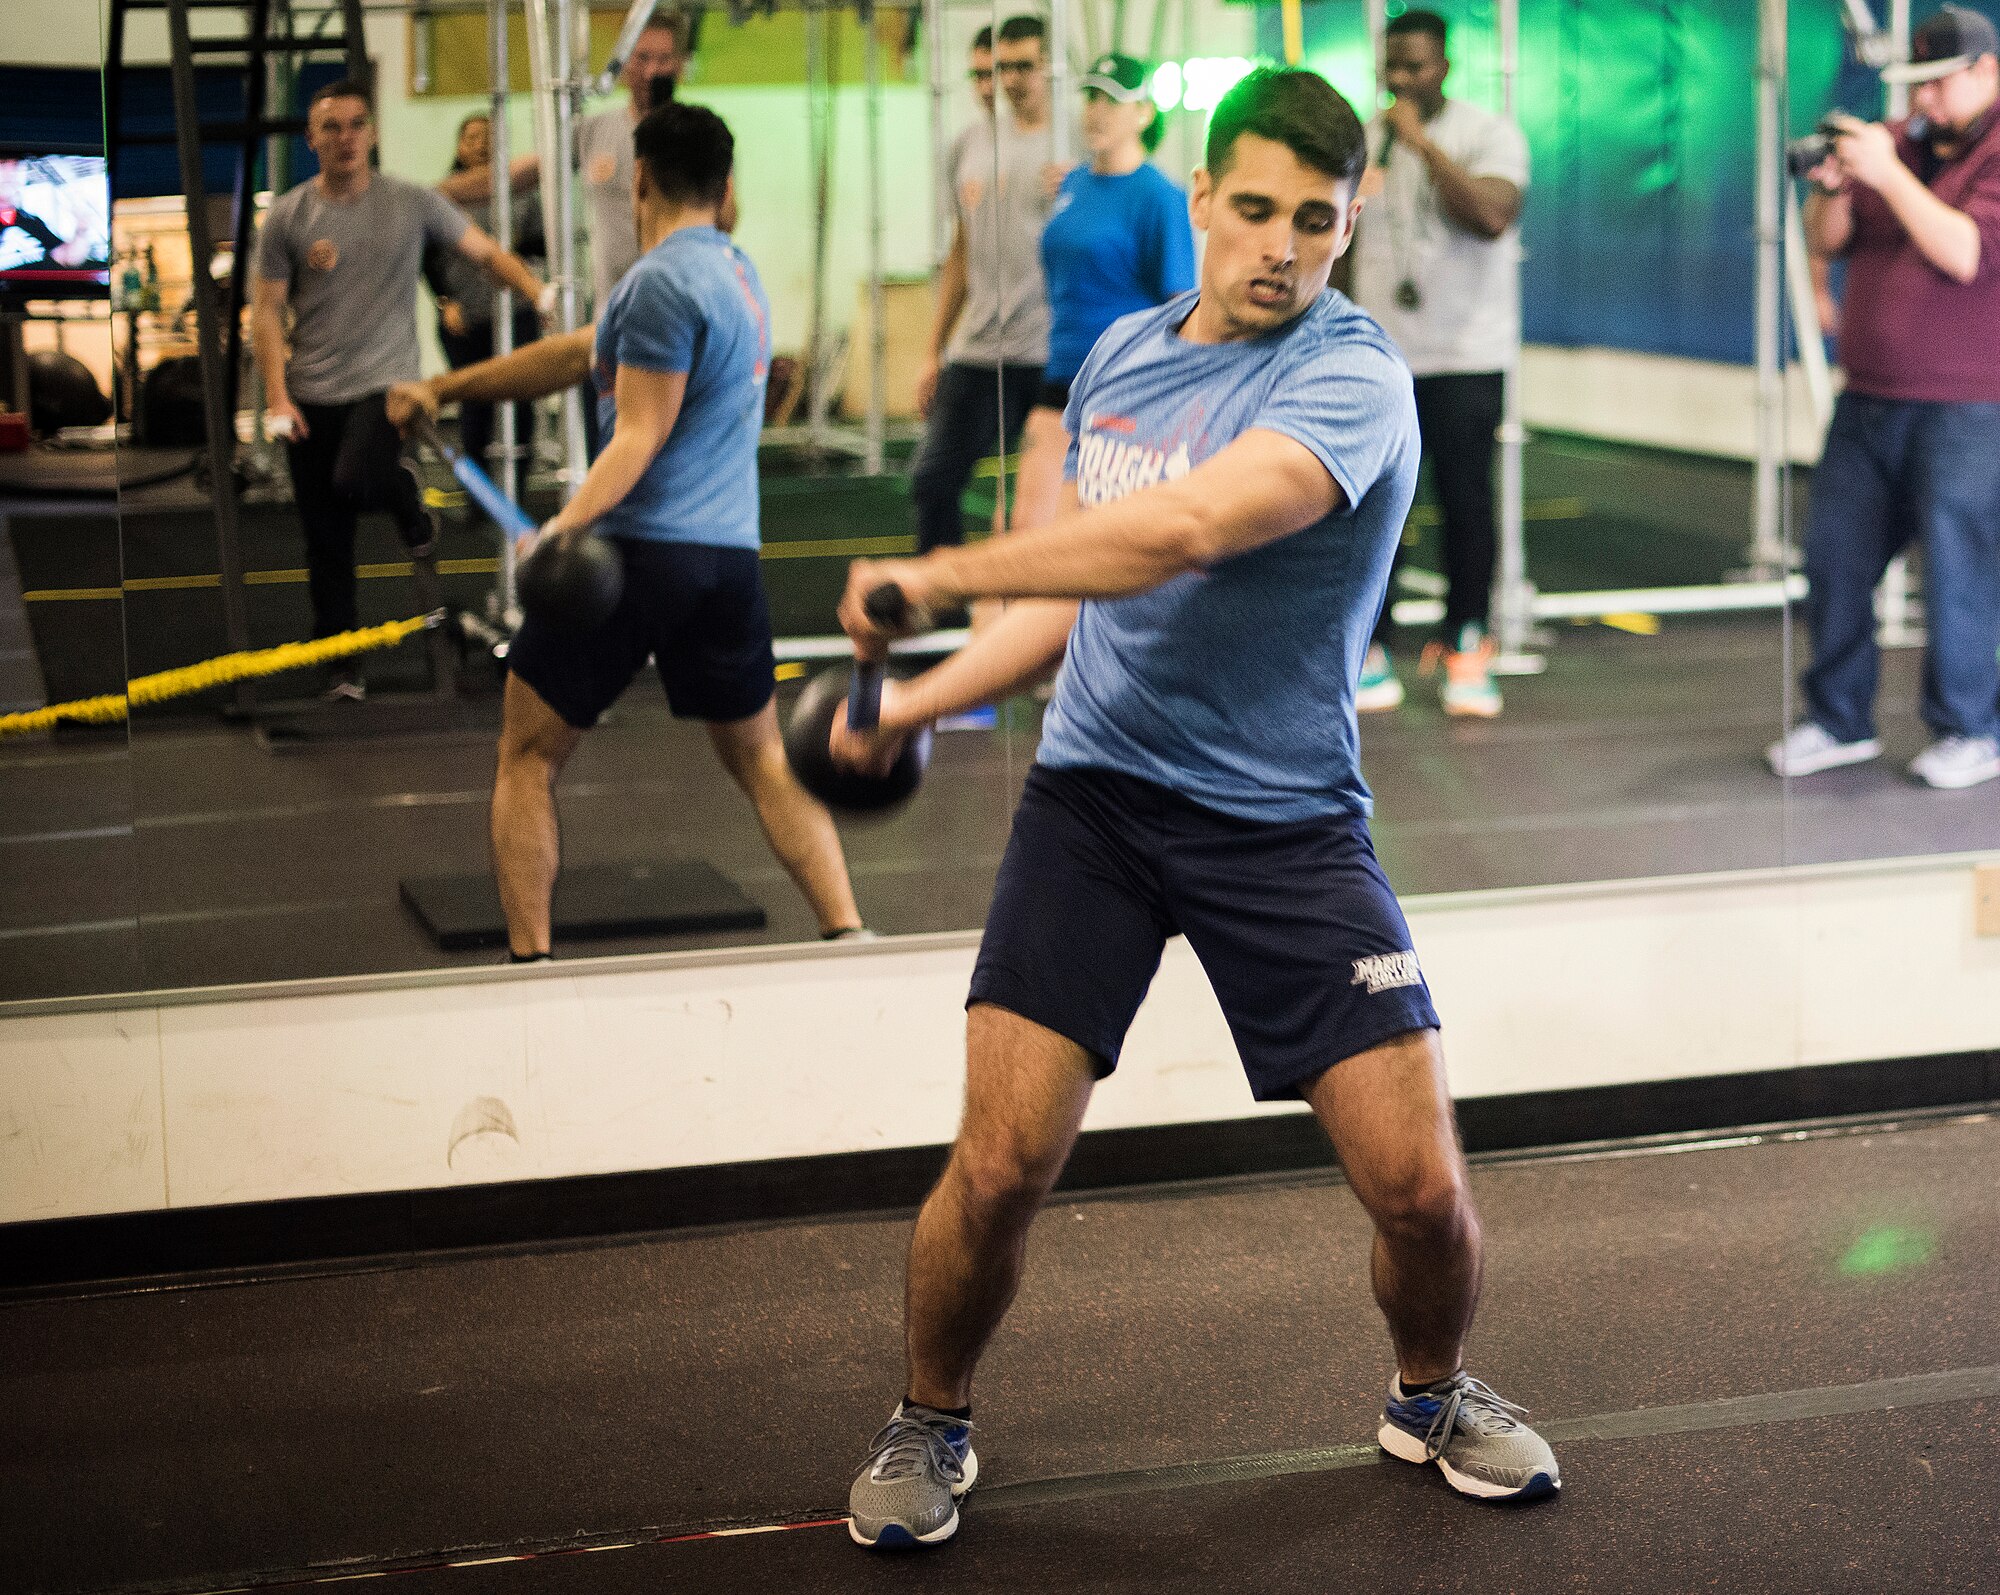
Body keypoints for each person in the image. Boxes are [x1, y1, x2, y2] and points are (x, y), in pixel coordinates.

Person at [828, 66, 1559, 1550]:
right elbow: (1075, 587)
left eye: (1317, 220)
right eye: (1253, 210)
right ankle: (929, 1416)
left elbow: (1183, 530)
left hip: (1283, 819)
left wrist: (937, 575)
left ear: (1348, 228)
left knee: (1421, 1188)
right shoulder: (1119, 357)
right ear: (1201, 203)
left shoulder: (1352, 377)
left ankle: (1428, 1392)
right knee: (998, 1162)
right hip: (1093, 802)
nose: (1282, 244)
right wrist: (913, 698)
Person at [387, 103, 868, 957]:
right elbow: (579, 353)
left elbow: (640, 432)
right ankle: (849, 930)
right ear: (727, 191)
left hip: (640, 558)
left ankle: (529, 961)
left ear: (637, 179)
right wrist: (447, 390)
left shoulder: (657, 285)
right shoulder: (736, 275)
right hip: (728, 564)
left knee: (527, 757)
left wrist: (562, 528)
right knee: (761, 759)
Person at [251, 80, 547, 699]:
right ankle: (343, 666)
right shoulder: (288, 217)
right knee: (325, 540)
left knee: (356, 480)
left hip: (387, 387)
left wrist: (540, 295)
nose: (346, 138)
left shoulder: (412, 201)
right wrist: (277, 398)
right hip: (310, 393)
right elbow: (266, 313)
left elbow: (486, 252)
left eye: (357, 125)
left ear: (373, 134)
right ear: (312, 140)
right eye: (331, 128)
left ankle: (410, 498)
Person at [1771, 3, 2000, 791]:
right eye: (1919, 86)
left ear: (1985, 72)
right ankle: (1839, 719)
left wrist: (1886, 172)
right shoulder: (1899, 142)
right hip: (1868, 399)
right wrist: (1838, 186)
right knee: (1834, 561)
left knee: (1959, 575)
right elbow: (1829, 236)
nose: (1926, 102)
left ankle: (1971, 727)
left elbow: (1964, 251)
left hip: (1968, 407)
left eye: (1941, 85)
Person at [1344, 7, 1527, 719]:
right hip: (1384, 354)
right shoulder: (1367, 138)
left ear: (1445, 66)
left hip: (1465, 354)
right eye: (1392, 66)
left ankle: (1467, 644)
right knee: (1379, 503)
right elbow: (1345, 243)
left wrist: (1423, 147)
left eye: (1415, 65)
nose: (1401, 79)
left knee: (1465, 503)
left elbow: (1490, 216)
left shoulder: (1487, 133)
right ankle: (1372, 646)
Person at [1007, 53, 1195, 535]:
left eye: (1111, 100)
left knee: (1097, 531)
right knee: (1025, 522)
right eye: (1091, 97)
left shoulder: (1160, 196)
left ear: (1144, 112)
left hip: (1125, 380)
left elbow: (1180, 305)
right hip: (1062, 370)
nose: (1096, 111)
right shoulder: (1070, 183)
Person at [910, 15, 1057, 562]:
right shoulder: (968, 145)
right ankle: (938, 608)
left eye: (1023, 66)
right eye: (999, 68)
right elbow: (961, 253)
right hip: (977, 349)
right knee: (933, 480)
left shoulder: (1071, 148)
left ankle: (1044, 626)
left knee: (1040, 509)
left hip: (1050, 352)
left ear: (1050, 68)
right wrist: (933, 350)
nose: (1007, 80)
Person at [431, 113, 544, 494]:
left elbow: (540, 245)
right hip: (467, 316)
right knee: (475, 404)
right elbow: (425, 257)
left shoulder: (523, 191)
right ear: (459, 146)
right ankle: (479, 496)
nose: (480, 144)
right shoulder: (442, 198)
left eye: (488, 137)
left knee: (521, 401)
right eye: (472, 137)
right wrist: (444, 302)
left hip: (517, 314)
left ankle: (519, 491)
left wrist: (514, 268)